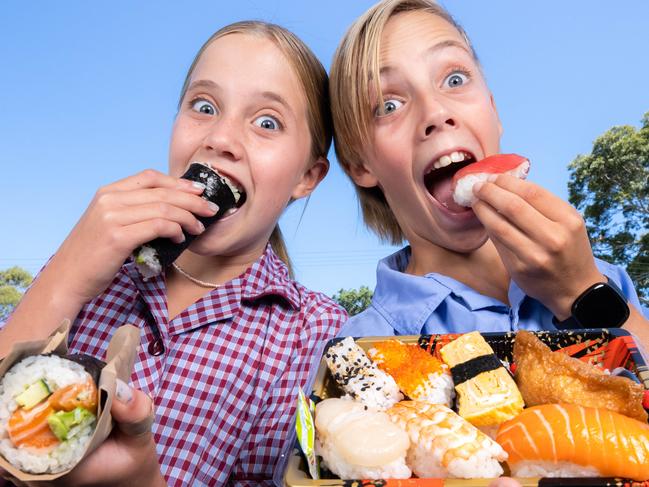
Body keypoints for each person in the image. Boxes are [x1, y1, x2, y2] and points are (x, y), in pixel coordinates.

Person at [0, 20, 346, 486]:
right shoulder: (87, 264)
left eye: (267, 122)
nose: (220, 139)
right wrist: (67, 273)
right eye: (204, 107)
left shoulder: (315, 336)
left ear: (308, 176)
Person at [329, 0, 649, 350]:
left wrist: (583, 293)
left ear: (493, 112)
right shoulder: (361, 345)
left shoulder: (605, 280)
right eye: (388, 106)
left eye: (454, 79)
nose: (436, 112)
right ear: (359, 165)